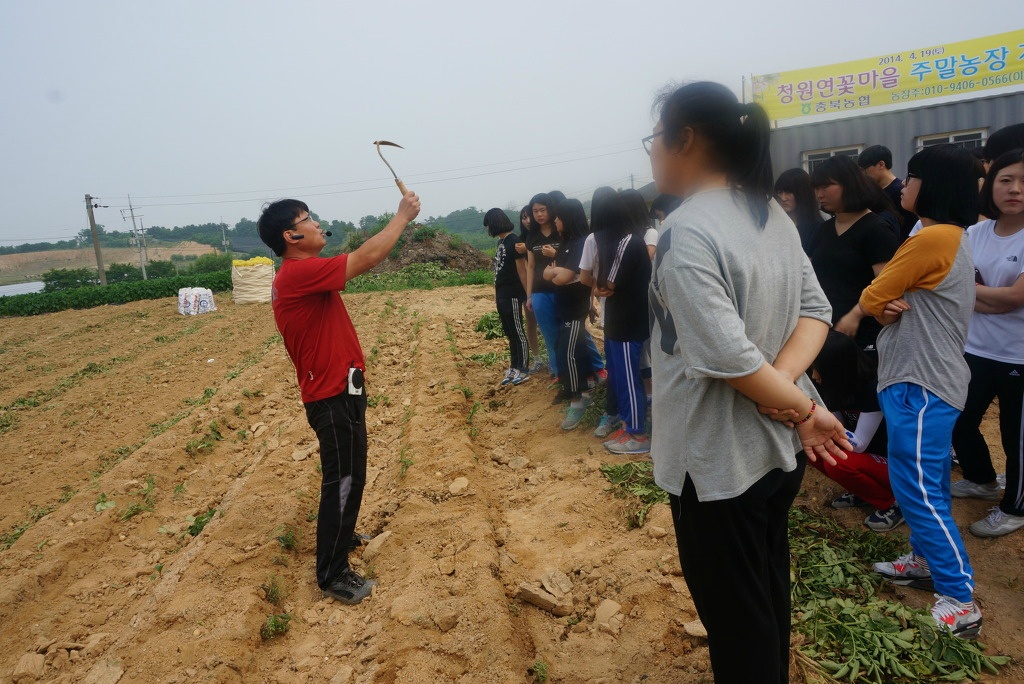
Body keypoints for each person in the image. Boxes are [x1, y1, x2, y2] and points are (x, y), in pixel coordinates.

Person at [646, 81, 848, 683]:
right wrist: (790, 395)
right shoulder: (771, 215)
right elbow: (817, 311)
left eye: (654, 138)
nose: (651, 152)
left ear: (683, 139)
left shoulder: (688, 230)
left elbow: (729, 358)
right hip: (777, 451)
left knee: (737, 619)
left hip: (715, 461)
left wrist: (796, 406)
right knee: (764, 588)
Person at [257, 190, 421, 604]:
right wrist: (401, 216)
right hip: (330, 396)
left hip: (341, 388)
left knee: (352, 473)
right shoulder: (296, 273)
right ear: (290, 236)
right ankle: (332, 573)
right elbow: (366, 258)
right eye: (308, 220)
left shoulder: (304, 271)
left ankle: (342, 538)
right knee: (343, 480)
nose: (317, 225)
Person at [859, 144, 982, 638]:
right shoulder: (945, 236)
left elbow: (872, 295)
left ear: (931, 186)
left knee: (920, 491)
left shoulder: (932, 238)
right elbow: (887, 297)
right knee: (920, 485)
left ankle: (960, 598)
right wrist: (887, 303)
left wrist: (881, 304)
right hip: (923, 378)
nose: (903, 186)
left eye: (910, 178)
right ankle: (923, 560)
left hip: (922, 383)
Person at [950, 149, 1024, 538]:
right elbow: (954, 288)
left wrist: (972, 294)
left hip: (1018, 355)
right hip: (974, 348)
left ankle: (1016, 505)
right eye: (1006, 180)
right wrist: (986, 296)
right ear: (990, 185)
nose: (1015, 189)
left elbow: (1014, 299)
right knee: (958, 421)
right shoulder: (973, 233)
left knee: (1016, 438)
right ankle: (981, 480)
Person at [811, 331, 901, 531]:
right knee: (812, 447)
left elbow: (859, 444)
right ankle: (862, 490)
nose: (814, 376)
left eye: (819, 370)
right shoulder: (832, 384)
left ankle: (893, 503)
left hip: (894, 463)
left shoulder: (873, 388)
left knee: (839, 462)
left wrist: (815, 417)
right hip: (866, 456)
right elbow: (836, 423)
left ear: (836, 369)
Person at [810, 155, 899, 353]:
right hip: (825, 329)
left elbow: (887, 285)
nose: (819, 194)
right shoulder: (823, 230)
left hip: (862, 332)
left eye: (826, 186)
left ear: (849, 184)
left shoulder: (876, 229)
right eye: (816, 188)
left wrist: (855, 315)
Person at [594, 191, 652, 454]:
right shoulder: (619, 241)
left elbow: (608, 284)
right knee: (620, 378)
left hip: (629, 324)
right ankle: (629, 426)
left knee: (629, 380)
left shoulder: (627, 242)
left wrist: (600, 287)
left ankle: (638, 436)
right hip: (618, 323)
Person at [544, 198, 596, 430]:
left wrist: (557, 273)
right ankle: (585, 391)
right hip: (564, 305)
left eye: (558, 217)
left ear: (568, 217)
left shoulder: (581, 243)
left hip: (575, 306)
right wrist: (558, 272)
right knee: (573, 349)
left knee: (569, 352)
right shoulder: (565, 243)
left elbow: (561, 277)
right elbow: (550, 275)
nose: (555, 221)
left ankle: (577, 401)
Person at [484, 208, 530, 386]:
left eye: (488, 225)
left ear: (494, 223)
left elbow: (522, 270)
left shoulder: (514, 241)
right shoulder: (501, 242)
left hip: (513, 293)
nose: (487, 228)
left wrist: (527, 294)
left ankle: (523, 368)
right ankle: (514, 365)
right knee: (509, 332)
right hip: (502, 294)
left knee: (518, 331)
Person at [524, 193, 563, 381]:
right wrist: (529, 295)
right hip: (540, 291)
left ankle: (584, 370)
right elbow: (530, 267)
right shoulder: (532, 237)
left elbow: (571, 258)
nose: (539, 214)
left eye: (542, 210)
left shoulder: (561, 230)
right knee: (550, 334)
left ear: (550, 209)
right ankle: (558, 372)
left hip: (563, 289)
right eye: (535, 211)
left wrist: (555, 253)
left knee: (570, 331)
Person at [859, 145, 918, 241]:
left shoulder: (902, 191)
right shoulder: (870, 193)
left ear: (881, 164)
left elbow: (911, 227)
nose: (863, 174)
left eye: (864, 169)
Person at [514, 205, 543, 372]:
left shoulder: (542, 236)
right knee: (531, 322)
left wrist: (529, 248)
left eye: (528, 216)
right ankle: (537, 358)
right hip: (528, 289)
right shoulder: (520, 241)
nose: (526, 221)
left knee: (548, 324)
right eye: (523, 218)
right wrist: (528, 293)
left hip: (545, 286)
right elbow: (523, 269)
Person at [774, 168, 826, 256]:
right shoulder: (773, 223)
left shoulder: (818, 228)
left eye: (788, 192)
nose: (783, 198)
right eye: (779, 192)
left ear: (803, 193)